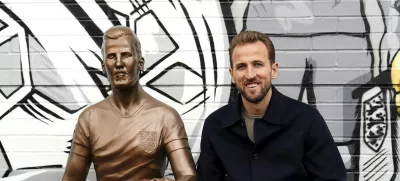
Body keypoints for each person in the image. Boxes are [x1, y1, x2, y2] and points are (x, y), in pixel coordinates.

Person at [196, 31, 347, 181]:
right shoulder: (215, 125)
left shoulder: (306, 120)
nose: (250, 74)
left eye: (257, 64)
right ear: (232, 74)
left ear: (273, 70)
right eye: (241, 66)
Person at [62, 25, 197, 181]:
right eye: (112, 56)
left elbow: (189, 175)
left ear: (140, 63)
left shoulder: (165, 117)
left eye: (126, 55)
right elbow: (71, 178)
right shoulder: (89, 119)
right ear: (103, 66)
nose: (119, 63)